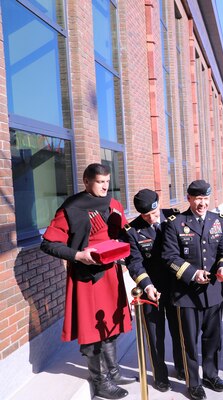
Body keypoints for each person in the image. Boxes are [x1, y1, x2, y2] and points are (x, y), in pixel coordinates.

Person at [40, 163, 133, 399]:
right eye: (100, 182)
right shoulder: (72, 208)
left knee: (111, 325)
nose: (105, 186)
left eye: (107, 181)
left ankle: (113, 371)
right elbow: (48, 243)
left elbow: (123, 235)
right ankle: (99, 381)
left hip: (111, 274)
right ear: (86, 181)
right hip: (86, 278)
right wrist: (78, 255)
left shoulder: (114, 205)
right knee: (92, 331)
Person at [161, 180, 223, 400]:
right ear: (189, 198)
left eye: (205, 199)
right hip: (186, 295)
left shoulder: (218, 221)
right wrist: (193, 274)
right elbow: (169, 257)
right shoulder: (175, 223)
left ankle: (211, 375)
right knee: (189, 341)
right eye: (198, 199)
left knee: (213, 339)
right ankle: (194, 382)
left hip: (212, 292)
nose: (202, 203)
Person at [121, 189, 184, 391]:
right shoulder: (132, 230)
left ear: (159, 202)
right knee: (155, 335)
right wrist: (147, 286)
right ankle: (160, 374)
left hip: (176, 288)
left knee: (179, 330)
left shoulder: (175, 217)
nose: (152, 218)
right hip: (152, 291)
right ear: (140, 213)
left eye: (154, 213)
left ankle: (182, 367)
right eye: (146, 215)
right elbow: (135, 264)